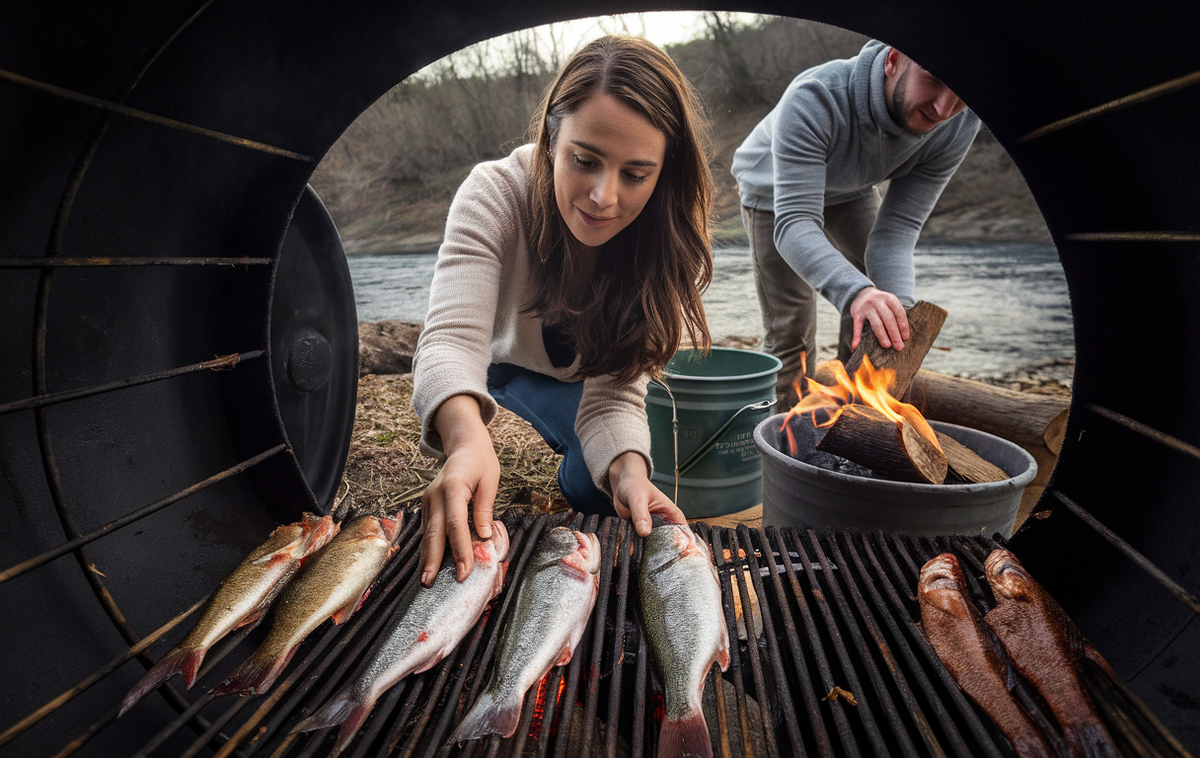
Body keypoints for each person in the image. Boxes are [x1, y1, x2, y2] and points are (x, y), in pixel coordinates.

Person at [411, 36, 715, 586]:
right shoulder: (494, 194)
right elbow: (452, 343)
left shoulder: (666, 246)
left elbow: (616, 394)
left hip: (579, 381)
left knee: (595, 488)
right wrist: (464, 437)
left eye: (635, 174)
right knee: (474, 425)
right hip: (496, 364)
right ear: (553, 138)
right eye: (585, 160)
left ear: (662, 173)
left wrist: (628, 471)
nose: (603, 196)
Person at [731, 40, 980, 405]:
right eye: (933, 80)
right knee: (792, 333)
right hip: (773, 196)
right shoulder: (815, 97)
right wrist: (855, 293)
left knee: (880, 302)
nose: (944, 108)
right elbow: (795, 223)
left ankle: (850, 423)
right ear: (893, 60)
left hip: (852, 190)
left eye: (962, 95)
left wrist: (899, 319)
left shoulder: (961, 122)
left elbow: (897, 233)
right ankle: (784, 445)